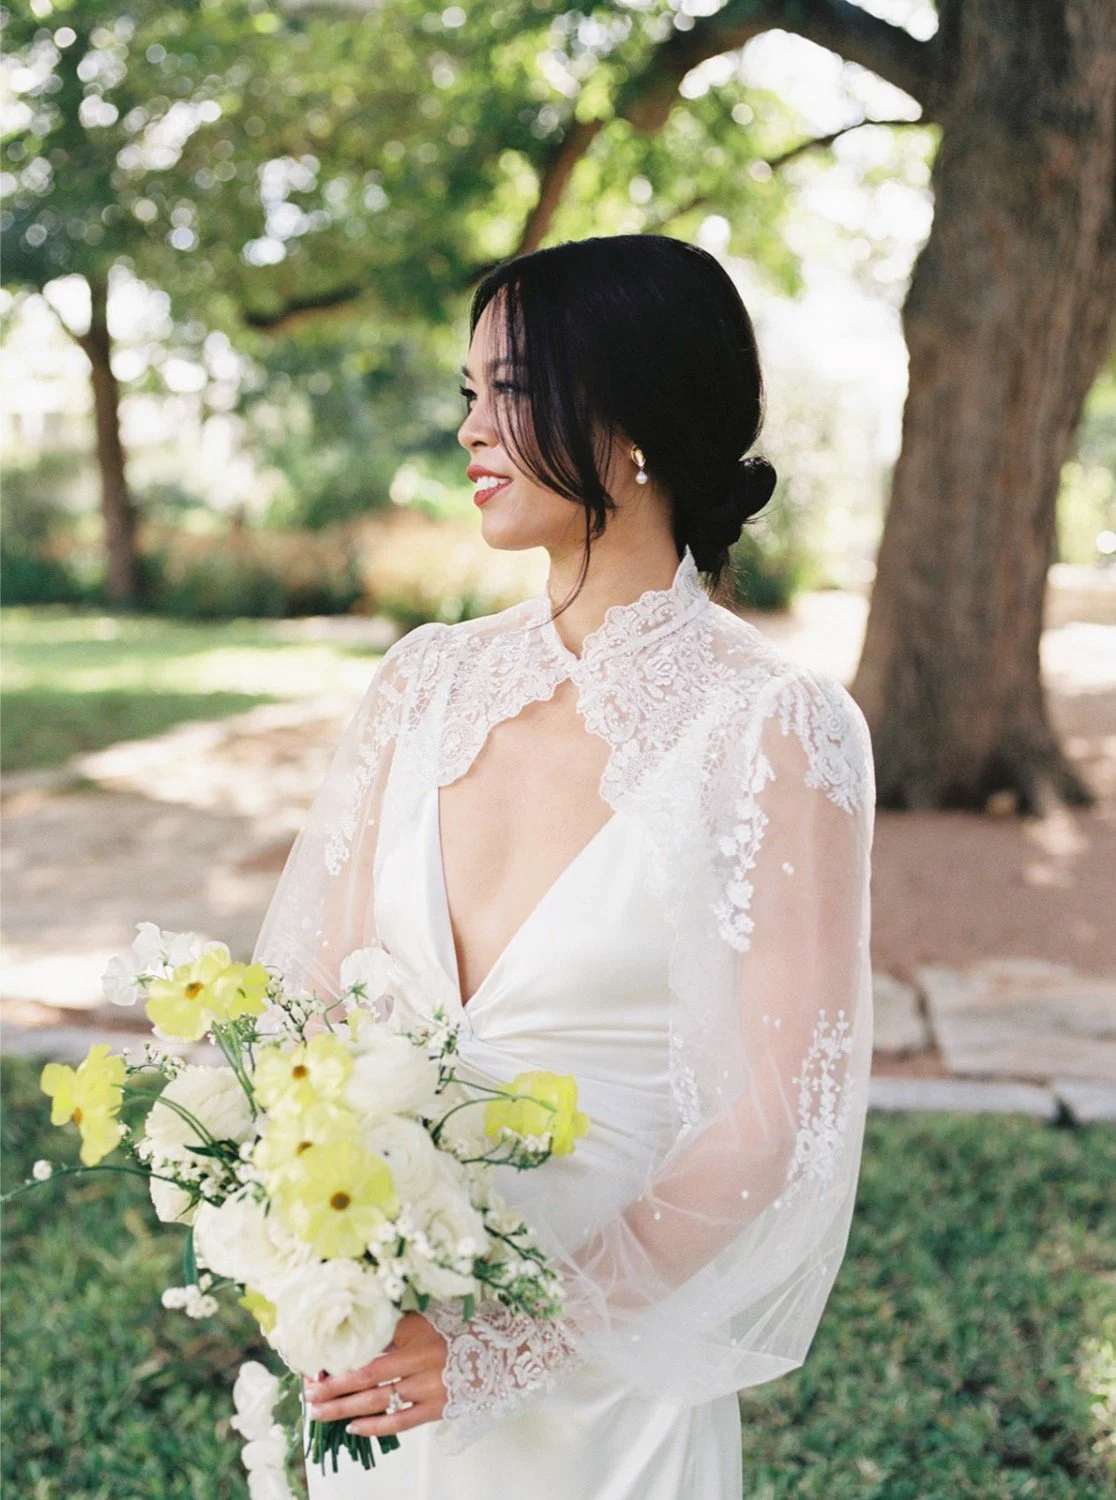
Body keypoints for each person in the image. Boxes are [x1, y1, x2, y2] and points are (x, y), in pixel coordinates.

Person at [251, 233, 876, 1499]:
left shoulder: (776, 729)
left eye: (514, 390)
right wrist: (330, 1255)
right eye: (468, 394)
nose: (474, 429)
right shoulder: (423, 681)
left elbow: (768, 1121)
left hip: (605, 1395)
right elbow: (307, 1006)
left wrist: (502, 1347)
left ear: (638, 418)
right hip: (380, 1353)